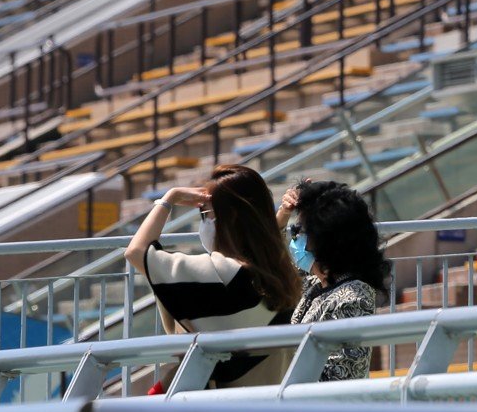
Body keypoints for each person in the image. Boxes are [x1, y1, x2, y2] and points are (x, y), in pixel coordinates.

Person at [124, 164, 301, 390]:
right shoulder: (278, 272)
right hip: (272, 402)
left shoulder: (219, 273)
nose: (204, 222)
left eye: (206, 214)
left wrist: (169, 199)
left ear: (232, 217)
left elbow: (136, 251)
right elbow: (267, 237)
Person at [278, 180, 390, 381]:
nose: (294, 239)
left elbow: (343, 376)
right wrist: (283, 216)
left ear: (326, 237)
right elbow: (267, 267)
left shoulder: (354, 297)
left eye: (299, 231)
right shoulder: (317, 283)